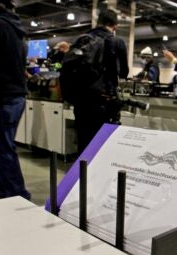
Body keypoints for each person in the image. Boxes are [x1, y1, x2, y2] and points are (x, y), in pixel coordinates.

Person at [0, 0, 31, 199]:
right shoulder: (18, 31)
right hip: (15, 96)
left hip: (1, 97)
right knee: (3, 146)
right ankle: (9, 189)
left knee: (2, 147)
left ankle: (15, 193)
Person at [73, 8, 129, 153]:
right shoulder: (117, 42)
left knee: (83, 141)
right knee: (102, 146)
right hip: (104, 101)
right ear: (115, 26)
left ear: (98, 22)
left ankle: (82, 174)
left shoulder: (82, 39)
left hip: (81, 100)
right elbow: (124, 73)